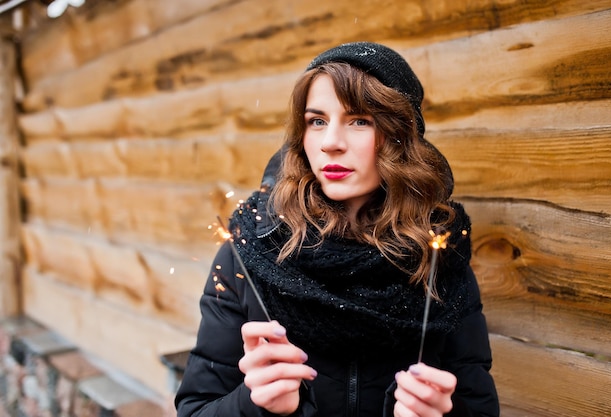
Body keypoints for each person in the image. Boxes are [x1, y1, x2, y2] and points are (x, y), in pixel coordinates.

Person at [175, 42, 499, 417]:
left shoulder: (438, 258)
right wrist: (256, 406)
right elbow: (195, 410)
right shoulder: (251, 252)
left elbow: (478, 407)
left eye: (359, 120)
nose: (330, 143)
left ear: (399, 135)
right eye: (317, 121)